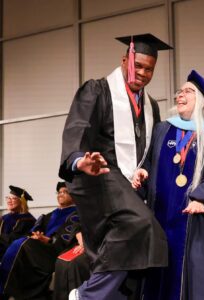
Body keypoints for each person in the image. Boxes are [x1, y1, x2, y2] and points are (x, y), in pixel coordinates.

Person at [59, 33, 172, 300]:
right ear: (125, 60)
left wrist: (145, 169)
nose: (143, 73)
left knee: (153, 240)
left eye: (149, 69)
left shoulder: (151, 106)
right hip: (100, 174)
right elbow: (77, 128)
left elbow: (150, 148)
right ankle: (87, 295)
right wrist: (80, 159)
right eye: (139, 65)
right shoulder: (97, 90)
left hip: (132, 183)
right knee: (140, 223)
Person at [132, 69, 204, 300]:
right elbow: (150, 163)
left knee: (198, 276)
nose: (180, 95)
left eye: (188, 91)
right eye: (179, 91)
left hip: (199, 219)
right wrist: (142, 173)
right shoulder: (163, 129)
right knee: (159, 273)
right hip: (161, 217)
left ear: (202, 100)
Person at [0, 182, 78, 300]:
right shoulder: (48, 215)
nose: (61, 194)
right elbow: (32, 231)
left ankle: (3, 289)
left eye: (65, 192)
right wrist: (36, 235)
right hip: (38, 248)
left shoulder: (76, 215)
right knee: (23, 241)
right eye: (59, 192)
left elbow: (67, 239)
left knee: (21, 243)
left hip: (53, 251)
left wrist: (49, 240)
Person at [0, 185, 36, 261]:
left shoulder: (27, 220)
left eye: (13, 198)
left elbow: (13, 240)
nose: (9, 201)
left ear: (22, 202)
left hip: (14, 257)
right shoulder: (4, 217)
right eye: (8, 198)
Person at [53, 230, 91, 300]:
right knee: (61, 261)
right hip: (83, 240)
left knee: (74, 263)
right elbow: (78, 226)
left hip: (103, 245)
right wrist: (81, 239)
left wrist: (88, 243)